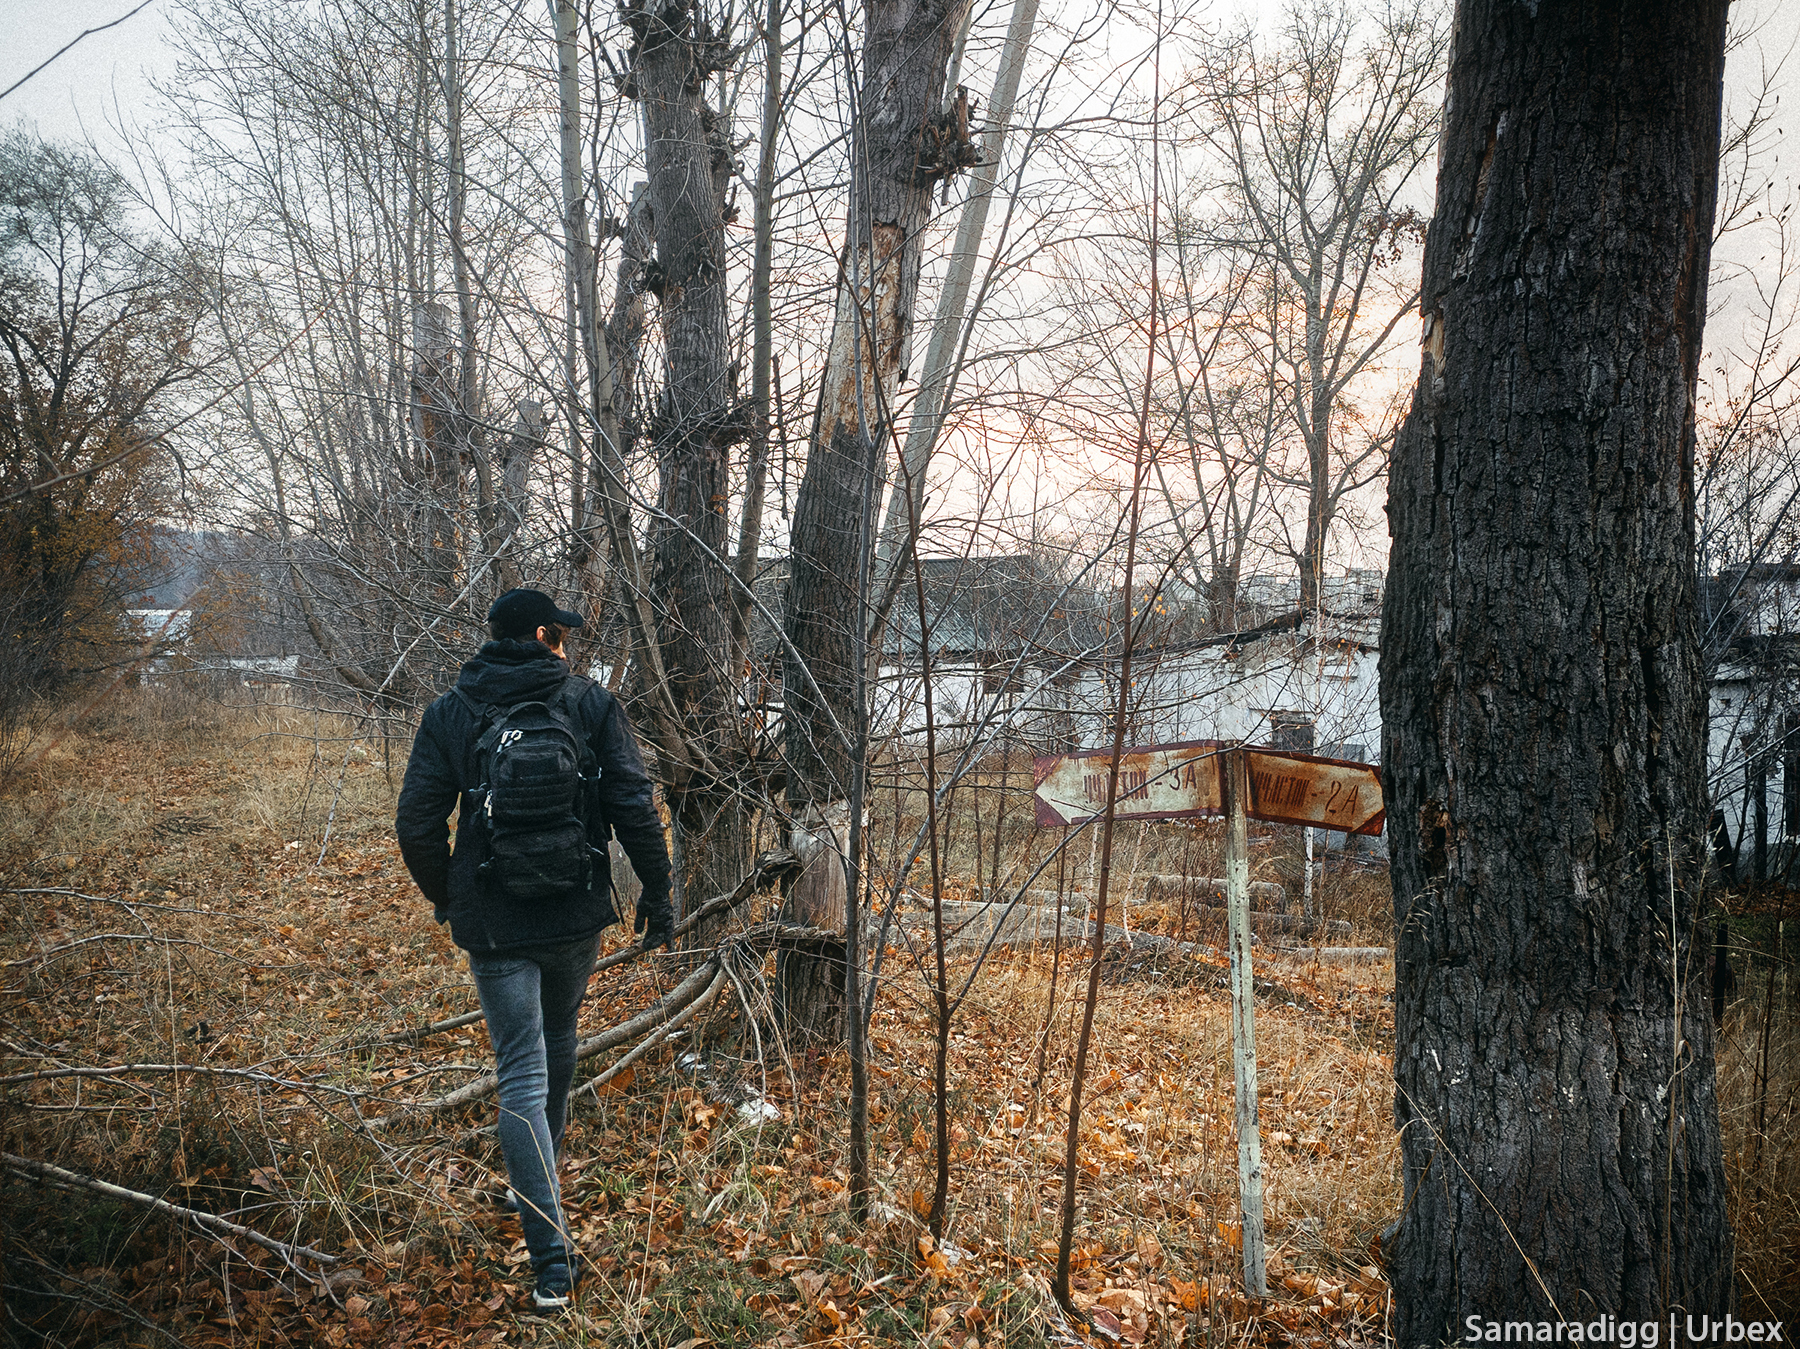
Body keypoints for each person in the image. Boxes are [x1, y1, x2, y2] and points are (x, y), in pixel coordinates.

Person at [395, 588, 673, 1310]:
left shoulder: (453, 710)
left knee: (520, 1067)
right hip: (575, 913)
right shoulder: (590, 704)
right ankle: (546, 1218)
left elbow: (416, 821)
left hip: (493, 919)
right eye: (565, 635)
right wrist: (657, 889)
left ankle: (547, 1242)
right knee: (557, 1042)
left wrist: (448, 893)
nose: (571, 647)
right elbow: (634, 803)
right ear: (548, 636)